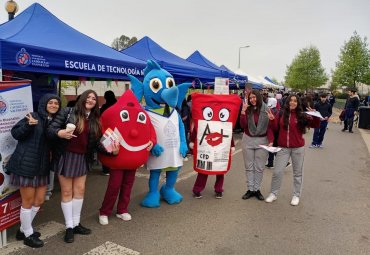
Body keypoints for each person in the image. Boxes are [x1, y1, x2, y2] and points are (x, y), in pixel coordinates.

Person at [48, 89, 103, 243]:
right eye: (88, 97)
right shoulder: (68, 111)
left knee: (79, 190)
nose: (91, 100)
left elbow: (96, 142)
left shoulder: (94, 119)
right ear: (82, 98)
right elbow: (51, 129)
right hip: (66, 156)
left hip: (82, 158)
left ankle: (77, 223)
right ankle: (69, 227)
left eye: (94, 98)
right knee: (66, 192)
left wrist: (111, 147)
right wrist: (60, 133)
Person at [6, 94, 61, 248]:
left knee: (39, 200)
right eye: (50, 102)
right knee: (28, 201)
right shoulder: (33, 116)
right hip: (26, 165)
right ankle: (28, 234)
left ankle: (23, 229)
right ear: (44, 103)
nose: (53, 105)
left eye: (56, 103)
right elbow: (16, 133)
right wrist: (29, 125)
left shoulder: (55, 122)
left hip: (42, 166)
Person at [265, 95, 320, 206]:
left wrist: (315, 115)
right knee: (277, 172)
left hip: (297, 148)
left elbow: (315, 124)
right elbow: (275, 128)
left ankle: (296, 195)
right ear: (287, 102)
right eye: (291, 100)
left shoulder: (302, 115)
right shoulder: (281, 113)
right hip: (283, 148)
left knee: (297, 173)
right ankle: (273, 193)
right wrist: (272, 120)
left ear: (298, 103)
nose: (292, 103)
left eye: (295, 101)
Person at [240, 90, 274, 201]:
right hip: (248, 139)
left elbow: (270, 127)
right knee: (249, 167)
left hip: (262, 140)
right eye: (250, 98)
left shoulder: (266, 110)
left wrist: (271, 140)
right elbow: (243, 125)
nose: (252, 100)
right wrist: (243, 112)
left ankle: (257, 189)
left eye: (254, 97)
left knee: (259, 167)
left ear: (258, 97)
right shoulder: (248, 109)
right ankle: (250, 189)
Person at [99, 90, 117, 176]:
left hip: (106, 130)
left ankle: (106, 169)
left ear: (105, 97)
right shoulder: (118, 105)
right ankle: (115, 167)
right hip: (117, 130)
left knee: (106, 149)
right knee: (116, 149)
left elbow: (100, 117)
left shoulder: (104, 106)